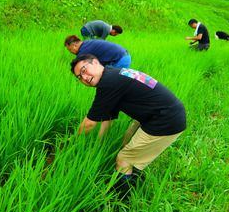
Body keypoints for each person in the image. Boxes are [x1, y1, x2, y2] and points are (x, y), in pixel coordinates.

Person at [70, 54, 186, 198]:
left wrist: (72, 145)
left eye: (84, 70)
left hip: (165, 120)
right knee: (126, 144)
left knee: (124, 159)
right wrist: (99, 145)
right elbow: (107, 116)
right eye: (79, 77)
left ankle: (121, 199)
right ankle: (133, 178)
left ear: (95, 62)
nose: (84, 77)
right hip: (158, 115)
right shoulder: (114, 74)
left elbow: (89, 123)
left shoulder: (108, 83)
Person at [64, 35, 131, 68]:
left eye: (69, 49)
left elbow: (81, 69)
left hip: (119, 60)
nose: (70, 52)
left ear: (74, 45)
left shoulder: (83, 51)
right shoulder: (86, 43)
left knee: (111, 83)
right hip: (123, 56)